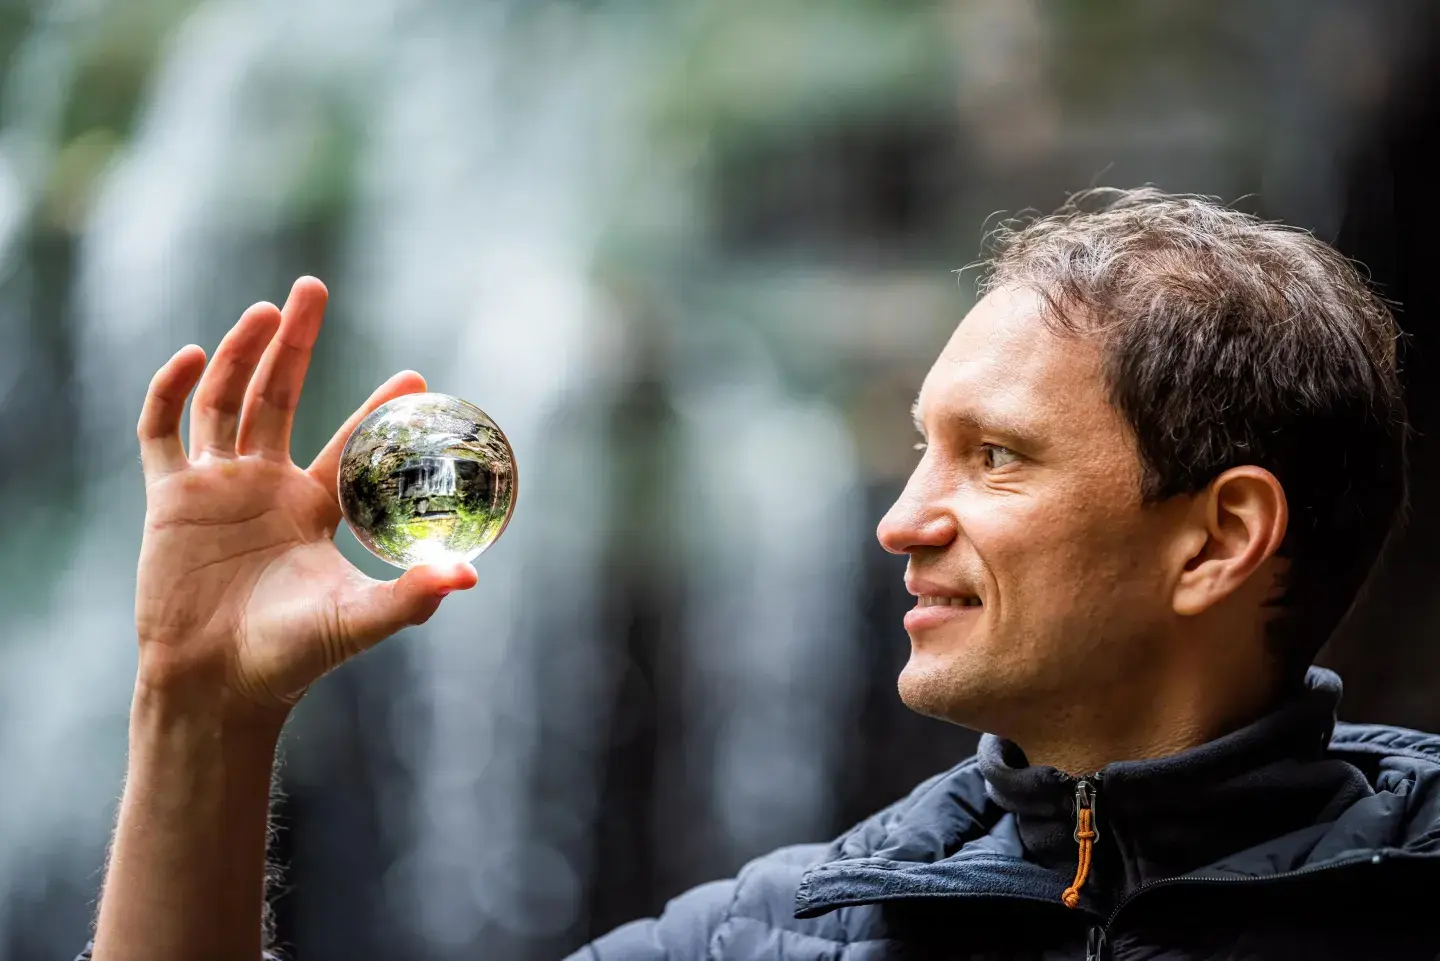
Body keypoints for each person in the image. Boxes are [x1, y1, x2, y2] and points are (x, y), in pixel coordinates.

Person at [79, 189, 1440, 961]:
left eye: (995, 457)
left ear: (1219, 538)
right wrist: (201, 710)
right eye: (918, 450)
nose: (899, 521)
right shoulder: (780, 936)